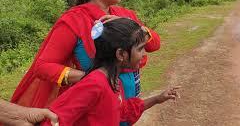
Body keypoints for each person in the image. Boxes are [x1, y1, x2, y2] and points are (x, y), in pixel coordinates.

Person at [11, 0, 160, 114]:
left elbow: (154, 45)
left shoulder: (126, 15)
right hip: (97, 103)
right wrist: (90, 78)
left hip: (129, 100)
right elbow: (43, 66)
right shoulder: (73, 21)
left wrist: (132, 25)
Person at [41, 18, 179, 126]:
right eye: (140, 48)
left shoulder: (113, 80)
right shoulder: (94, 84)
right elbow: (53, 119)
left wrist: (157, 99)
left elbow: (120, 110)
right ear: (120, 54)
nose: (144, 54)